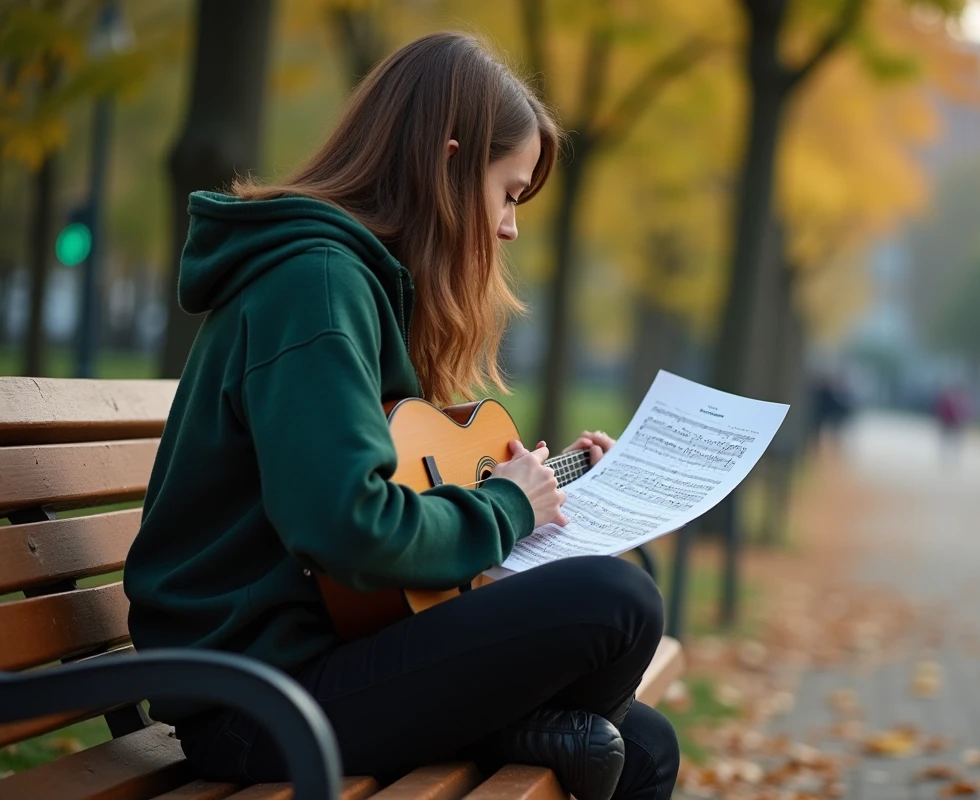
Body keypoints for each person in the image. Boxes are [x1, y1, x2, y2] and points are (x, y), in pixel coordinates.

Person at [123, 33, 677, 800]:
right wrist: (507, 505)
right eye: (509, 192)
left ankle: (509, 727)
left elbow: (386, 504)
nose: (510, 226)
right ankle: (506, 727)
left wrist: (552, 492)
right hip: (256, 697)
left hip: (325, 657)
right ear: (448, 162)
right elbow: (349, 527)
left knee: (643, 745)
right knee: (623, 607)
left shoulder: (357, 281)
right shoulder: (314, 283)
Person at [933, 382, 969, 465]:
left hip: (953, 423)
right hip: (948, 423)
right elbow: (941, 411)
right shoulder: (948, 400)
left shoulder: (957, 401)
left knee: (953, 442)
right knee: (946, 441)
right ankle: (946, 457)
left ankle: (952, 458)